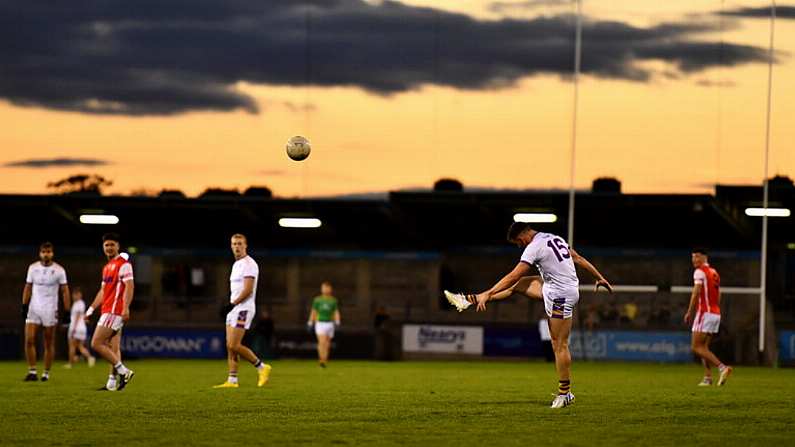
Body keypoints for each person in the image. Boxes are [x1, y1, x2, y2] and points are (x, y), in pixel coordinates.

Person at [444, 222, 612, 409]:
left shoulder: (533, 247)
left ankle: (565, 394)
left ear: (523, 235)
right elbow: (578, 258)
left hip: (560, 295)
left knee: (559, 345)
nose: (519, 245)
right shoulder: (553, 238)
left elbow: (513, 275)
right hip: (555, 286)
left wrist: (490, 292)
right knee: (519, 286)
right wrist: (599, 276)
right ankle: (470, 300)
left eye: (518, 242)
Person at [214, 234, 272, 388]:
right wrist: (231, 306)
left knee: (234, 345)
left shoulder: (249, 264)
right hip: (234, 307)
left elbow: (247, 289)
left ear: (246, 246)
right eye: (234, 244)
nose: (236, 247)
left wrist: (231, 304)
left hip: (243, 308)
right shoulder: (236, 265)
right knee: (229, 345)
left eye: (239, 243)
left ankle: (261, 366)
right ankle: (232, 380)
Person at [85, 233, 135, 391]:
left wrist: (126, 307)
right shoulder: (107, 267)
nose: (109, 247)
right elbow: (103, 291)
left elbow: (130, 287)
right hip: (107, 309)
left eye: (112, 244)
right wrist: (91, 309)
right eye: (106, 245)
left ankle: (124, 371)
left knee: (96, 343)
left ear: (118, 246)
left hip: (114, 311)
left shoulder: (123, 264)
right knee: (113, 347)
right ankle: (112, 383)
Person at [22, 242, 71, 382]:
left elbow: (65, 291)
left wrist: (67, 311)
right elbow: (28, 287)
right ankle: (32, 371)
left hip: (50, 309)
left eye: (48, 251)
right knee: (29, 339)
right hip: (34, 308)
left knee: (48, 342)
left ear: (52, 253)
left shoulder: (59, 270)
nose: (46, 254)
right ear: (40, 253)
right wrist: (24, 305)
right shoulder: (33, 268)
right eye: (44, 252)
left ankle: (46, 372)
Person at [684, 248, 732, 386]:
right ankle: (708, 377)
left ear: (705, 257)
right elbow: (719, 293)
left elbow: (696, 292)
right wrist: (715, 310)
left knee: (695, 347)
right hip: (715, 313)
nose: (694, 260)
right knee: (704, 347)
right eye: (692, 257)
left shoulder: (699, 272)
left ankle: (723, 368)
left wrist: (689, 312)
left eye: (697, 257)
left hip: (704, 313)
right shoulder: (714, 272)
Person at [307, 281, 341, 368]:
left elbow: (336, 312)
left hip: (330, 323)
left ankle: (324, 361)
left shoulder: (333, 300)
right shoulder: (317, 300)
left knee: (327, 344)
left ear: (330, 289)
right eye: (323, 287)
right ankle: (321, 360)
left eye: (327, 287)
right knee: (321, 342)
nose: (325, 289)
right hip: (320, 323)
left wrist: (337, 321)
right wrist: (310, 322)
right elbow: (314, 312)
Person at [64, 287, 95, 369]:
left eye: (75, 294)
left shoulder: (79, 304)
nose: (74, 296)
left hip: (76, 328)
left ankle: (70, 363)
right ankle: (90, 358)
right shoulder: (80, 304)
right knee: (80, 346)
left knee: (72, 346)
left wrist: (73, 328)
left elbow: (77, 317)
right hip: (81, 327)